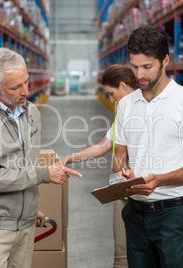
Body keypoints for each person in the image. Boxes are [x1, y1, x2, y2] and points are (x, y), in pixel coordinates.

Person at [0, 47, 81, 268]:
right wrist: (45, 174)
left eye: (25, 82)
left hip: (25, 224)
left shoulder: (31, 113)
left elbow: (23, 166)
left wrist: (28, 207)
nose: (26, 90)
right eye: (16, 87)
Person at [113, 25, 183, 268]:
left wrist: (159, 180)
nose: (139, 75)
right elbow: (119, 156)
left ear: (165, 60)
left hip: (174, 216)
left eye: (147, 67)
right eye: (134, 67)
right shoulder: (126, 104)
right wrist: (123, 172)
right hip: (135, 213)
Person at [59, 64, 138, 268]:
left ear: (123, 86)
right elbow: (103, 145)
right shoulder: (122, 113)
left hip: (147, 193)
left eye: (112, 94)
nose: (111, 100)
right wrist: (69, 158)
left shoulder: (150, 111)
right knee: (121, 257)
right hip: (124, 192)